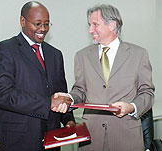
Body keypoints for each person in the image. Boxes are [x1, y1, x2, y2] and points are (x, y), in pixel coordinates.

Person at [54, 4, 155, 151]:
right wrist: (69, 98)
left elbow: (147, 93)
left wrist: (131, 107)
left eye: (95, 24)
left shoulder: (139, 54)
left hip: (127, 137)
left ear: (112, 25)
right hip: (91, 138)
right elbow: (80, 90)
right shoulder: (82, 56)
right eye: (89, 25)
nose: (90, 30)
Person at [0, 1, 75, 151]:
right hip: (19, 140)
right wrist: (47, 103)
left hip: (52, 139)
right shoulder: (4, 50)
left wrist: (68, 119)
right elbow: (1, 94)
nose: (43, 29)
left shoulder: (55, 54)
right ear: (23, 21)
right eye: (37, 24)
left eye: (47, 24)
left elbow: (60, 92)